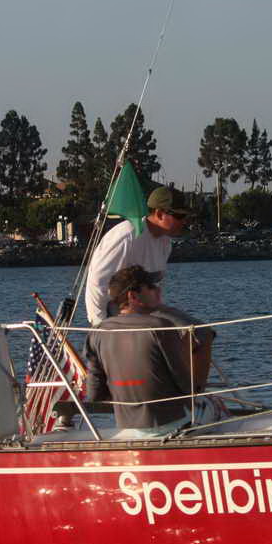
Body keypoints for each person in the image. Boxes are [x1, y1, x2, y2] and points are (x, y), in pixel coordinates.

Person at [84, 185, 213, 384]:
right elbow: (96, 283)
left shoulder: (165, 243)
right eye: (179, 216)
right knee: (161, 335)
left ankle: (191, 392)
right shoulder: (126, 236)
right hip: (119, 310)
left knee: (202, 334)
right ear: (159, 214)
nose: (184, 221)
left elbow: (154, 285)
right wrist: (100, 329)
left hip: (148, 308)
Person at [83, 265, 203, 432]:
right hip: (172, 424)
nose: (158, 290)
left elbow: (95, 395)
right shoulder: (161, 327)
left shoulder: (96, 333)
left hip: (127, 427)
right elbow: (186, 386)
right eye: (151, 286)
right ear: (133, 296)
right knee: (214, 406)